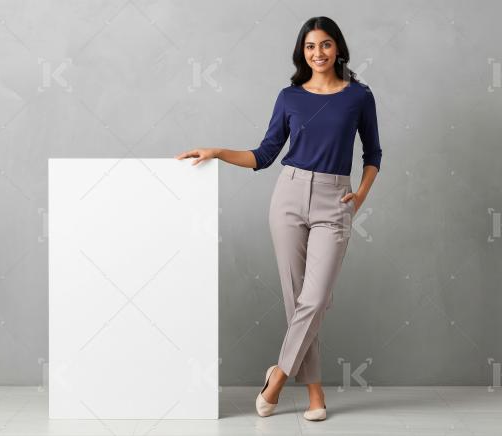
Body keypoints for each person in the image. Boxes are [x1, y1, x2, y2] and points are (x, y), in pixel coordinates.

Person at [175, 16, 381, 422]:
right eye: (309, 46)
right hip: (288, 195)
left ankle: (278, 377)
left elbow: (373, 154)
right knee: (296, 301)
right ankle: (316, 394)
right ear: (301, 52)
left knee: (315, 299)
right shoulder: (289, 97)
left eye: (324, 45)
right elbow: (264, 154)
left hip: (333, 199)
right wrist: (216, 151)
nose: (317, 53)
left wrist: (358, 196)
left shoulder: (359, 96)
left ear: (338, 48)